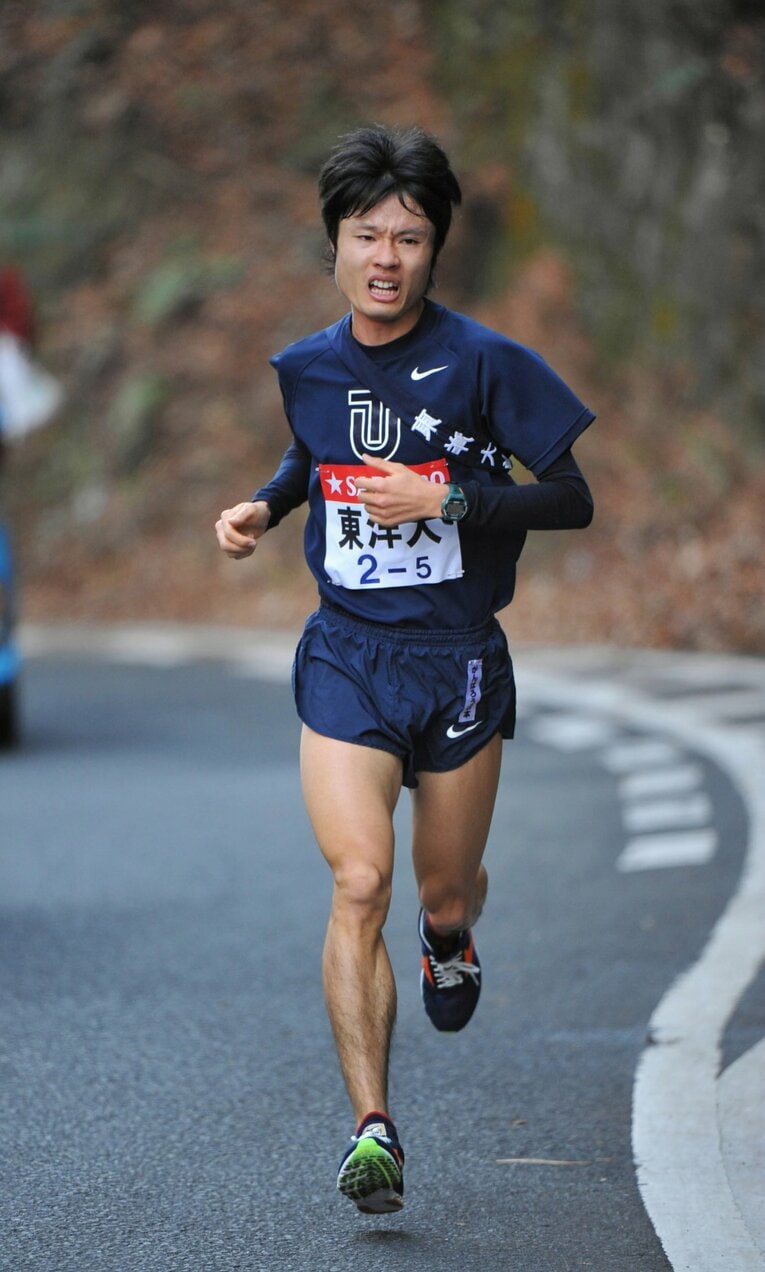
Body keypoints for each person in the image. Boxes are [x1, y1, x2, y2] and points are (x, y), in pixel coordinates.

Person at [215, 125, 595, 1215]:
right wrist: (268, 503)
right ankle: (372, 1130)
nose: (386, 256)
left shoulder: (486, 363)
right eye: (366, 234)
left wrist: (452, 501)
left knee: (437, 887)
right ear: (333, 244)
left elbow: (571, 497)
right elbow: (313, 452)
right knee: (358, 880)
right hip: (348, 653)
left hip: (461, 659)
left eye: (410, 238)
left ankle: (450, 937)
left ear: (435, 251)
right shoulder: (305, 367)